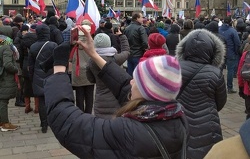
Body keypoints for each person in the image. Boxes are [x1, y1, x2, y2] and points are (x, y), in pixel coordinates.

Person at [44, 27, 188, 159]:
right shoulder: (175, 115)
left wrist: (58, 70)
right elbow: (123, 84)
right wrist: (93, 54)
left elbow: (68, 124)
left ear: (147, 92)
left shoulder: (127, 131)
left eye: (136, 80)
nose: (131, 82)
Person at [175, 28, 227, 159]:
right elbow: (220, 102)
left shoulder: (174, 67)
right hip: (207, 124)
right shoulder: (215, 73)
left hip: (177, 120)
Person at [87, 31, 130, 118]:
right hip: (117, 100)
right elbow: (126, 51)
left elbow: (91, 79)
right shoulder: (117, 58)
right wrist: (122, 36)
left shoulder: (91, 61)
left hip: (100, 101)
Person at [28, 24, 58, 133]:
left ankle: (43, 124)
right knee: (52, 100)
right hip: (51, 76)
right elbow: (56, 62)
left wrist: (32, 77)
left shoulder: (33, 47)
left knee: (41, 101)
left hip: (37, 76)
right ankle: (52, 121)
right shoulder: (53, 45)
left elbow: (30, 66)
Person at [70, 21, 94, 113]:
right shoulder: (91, 42)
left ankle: (80, 116)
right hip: (89, 72)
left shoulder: (74, 42)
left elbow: (70, 58)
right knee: (89, 97)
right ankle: (88, 116)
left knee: (79, 96)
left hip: (78, 72)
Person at [0, 35, 19, 131]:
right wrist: (16, 69)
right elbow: (8, 64)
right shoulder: (6, 48)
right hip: (5, 77)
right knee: (3, 100)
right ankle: (5, 124)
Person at [219, 16, 241, 93]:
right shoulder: (232, 31)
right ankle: (230, 87)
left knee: (219, 70)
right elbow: (237, 43)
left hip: (221, 52)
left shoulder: (219, 29)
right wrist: (236, 51)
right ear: (230, 22)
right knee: (230, 70)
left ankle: (219, 86)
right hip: (231, 52)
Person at [124, 11, 148, 76]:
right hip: (138, 54)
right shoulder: (141, 28)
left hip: (129, 55)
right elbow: (145, 42)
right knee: (138, 76)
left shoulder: (127, 28)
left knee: (130, 75)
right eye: (141, 17)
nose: (143, 19)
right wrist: (144, 49)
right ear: (137, 18)